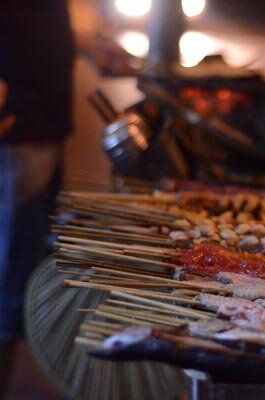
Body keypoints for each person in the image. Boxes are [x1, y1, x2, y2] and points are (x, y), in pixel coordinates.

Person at [0, 1, 75, 397]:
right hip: (20, 128)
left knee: (28, 256)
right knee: (12, 265)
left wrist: (92, 45)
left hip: (45, 121)